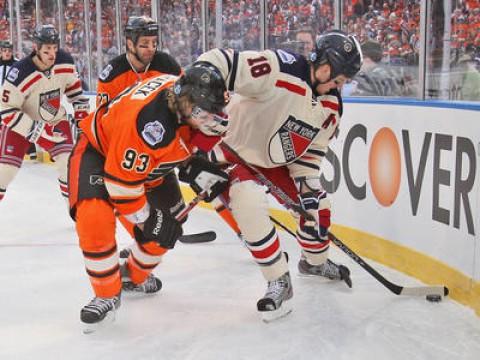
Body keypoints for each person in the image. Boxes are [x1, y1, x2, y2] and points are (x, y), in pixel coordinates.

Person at [196, 29, 362, 321]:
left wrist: (308, 189)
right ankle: (278, 280)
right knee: (248, 202)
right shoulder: (278, 67)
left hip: (274, 161)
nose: (340, 86)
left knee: (317, 205)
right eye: (339, 79)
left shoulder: (332, 105)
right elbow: (225, 62)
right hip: (234, 150)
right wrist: (205, 74)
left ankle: (314, 262)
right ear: (325, 67)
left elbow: (310, 153)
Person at [68, 65, 230, 331]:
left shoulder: (185, 101)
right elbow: (122, 188)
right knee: (94, 218)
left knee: (171, 227)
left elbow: (192, 137)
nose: (208, 117)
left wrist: (195, 161)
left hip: (142, 162)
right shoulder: (149, 125)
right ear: (184, 100)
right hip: (99, 151)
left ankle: (133, 275)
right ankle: (106, 294)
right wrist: (148, 220)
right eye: (202, 111)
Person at [0, 25, 89, 204]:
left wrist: (82, 121)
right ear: (36, 48)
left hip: (54, 119)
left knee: (68, 165)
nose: (52, 54)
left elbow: (76, 94)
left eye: (54, 48)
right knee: (4, 172)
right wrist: (36, 131)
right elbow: (6, 109)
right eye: (47, 49)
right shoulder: (20, 72)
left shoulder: (66, 61)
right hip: (21, 124)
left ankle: (76, 211)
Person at [96, 16, 181, 106]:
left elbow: (186, 97)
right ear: (130, 44)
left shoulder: (168, 65)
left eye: (154, 43)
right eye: (145, 43)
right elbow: (101, 117)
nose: (151, 48)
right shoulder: (111, 76)